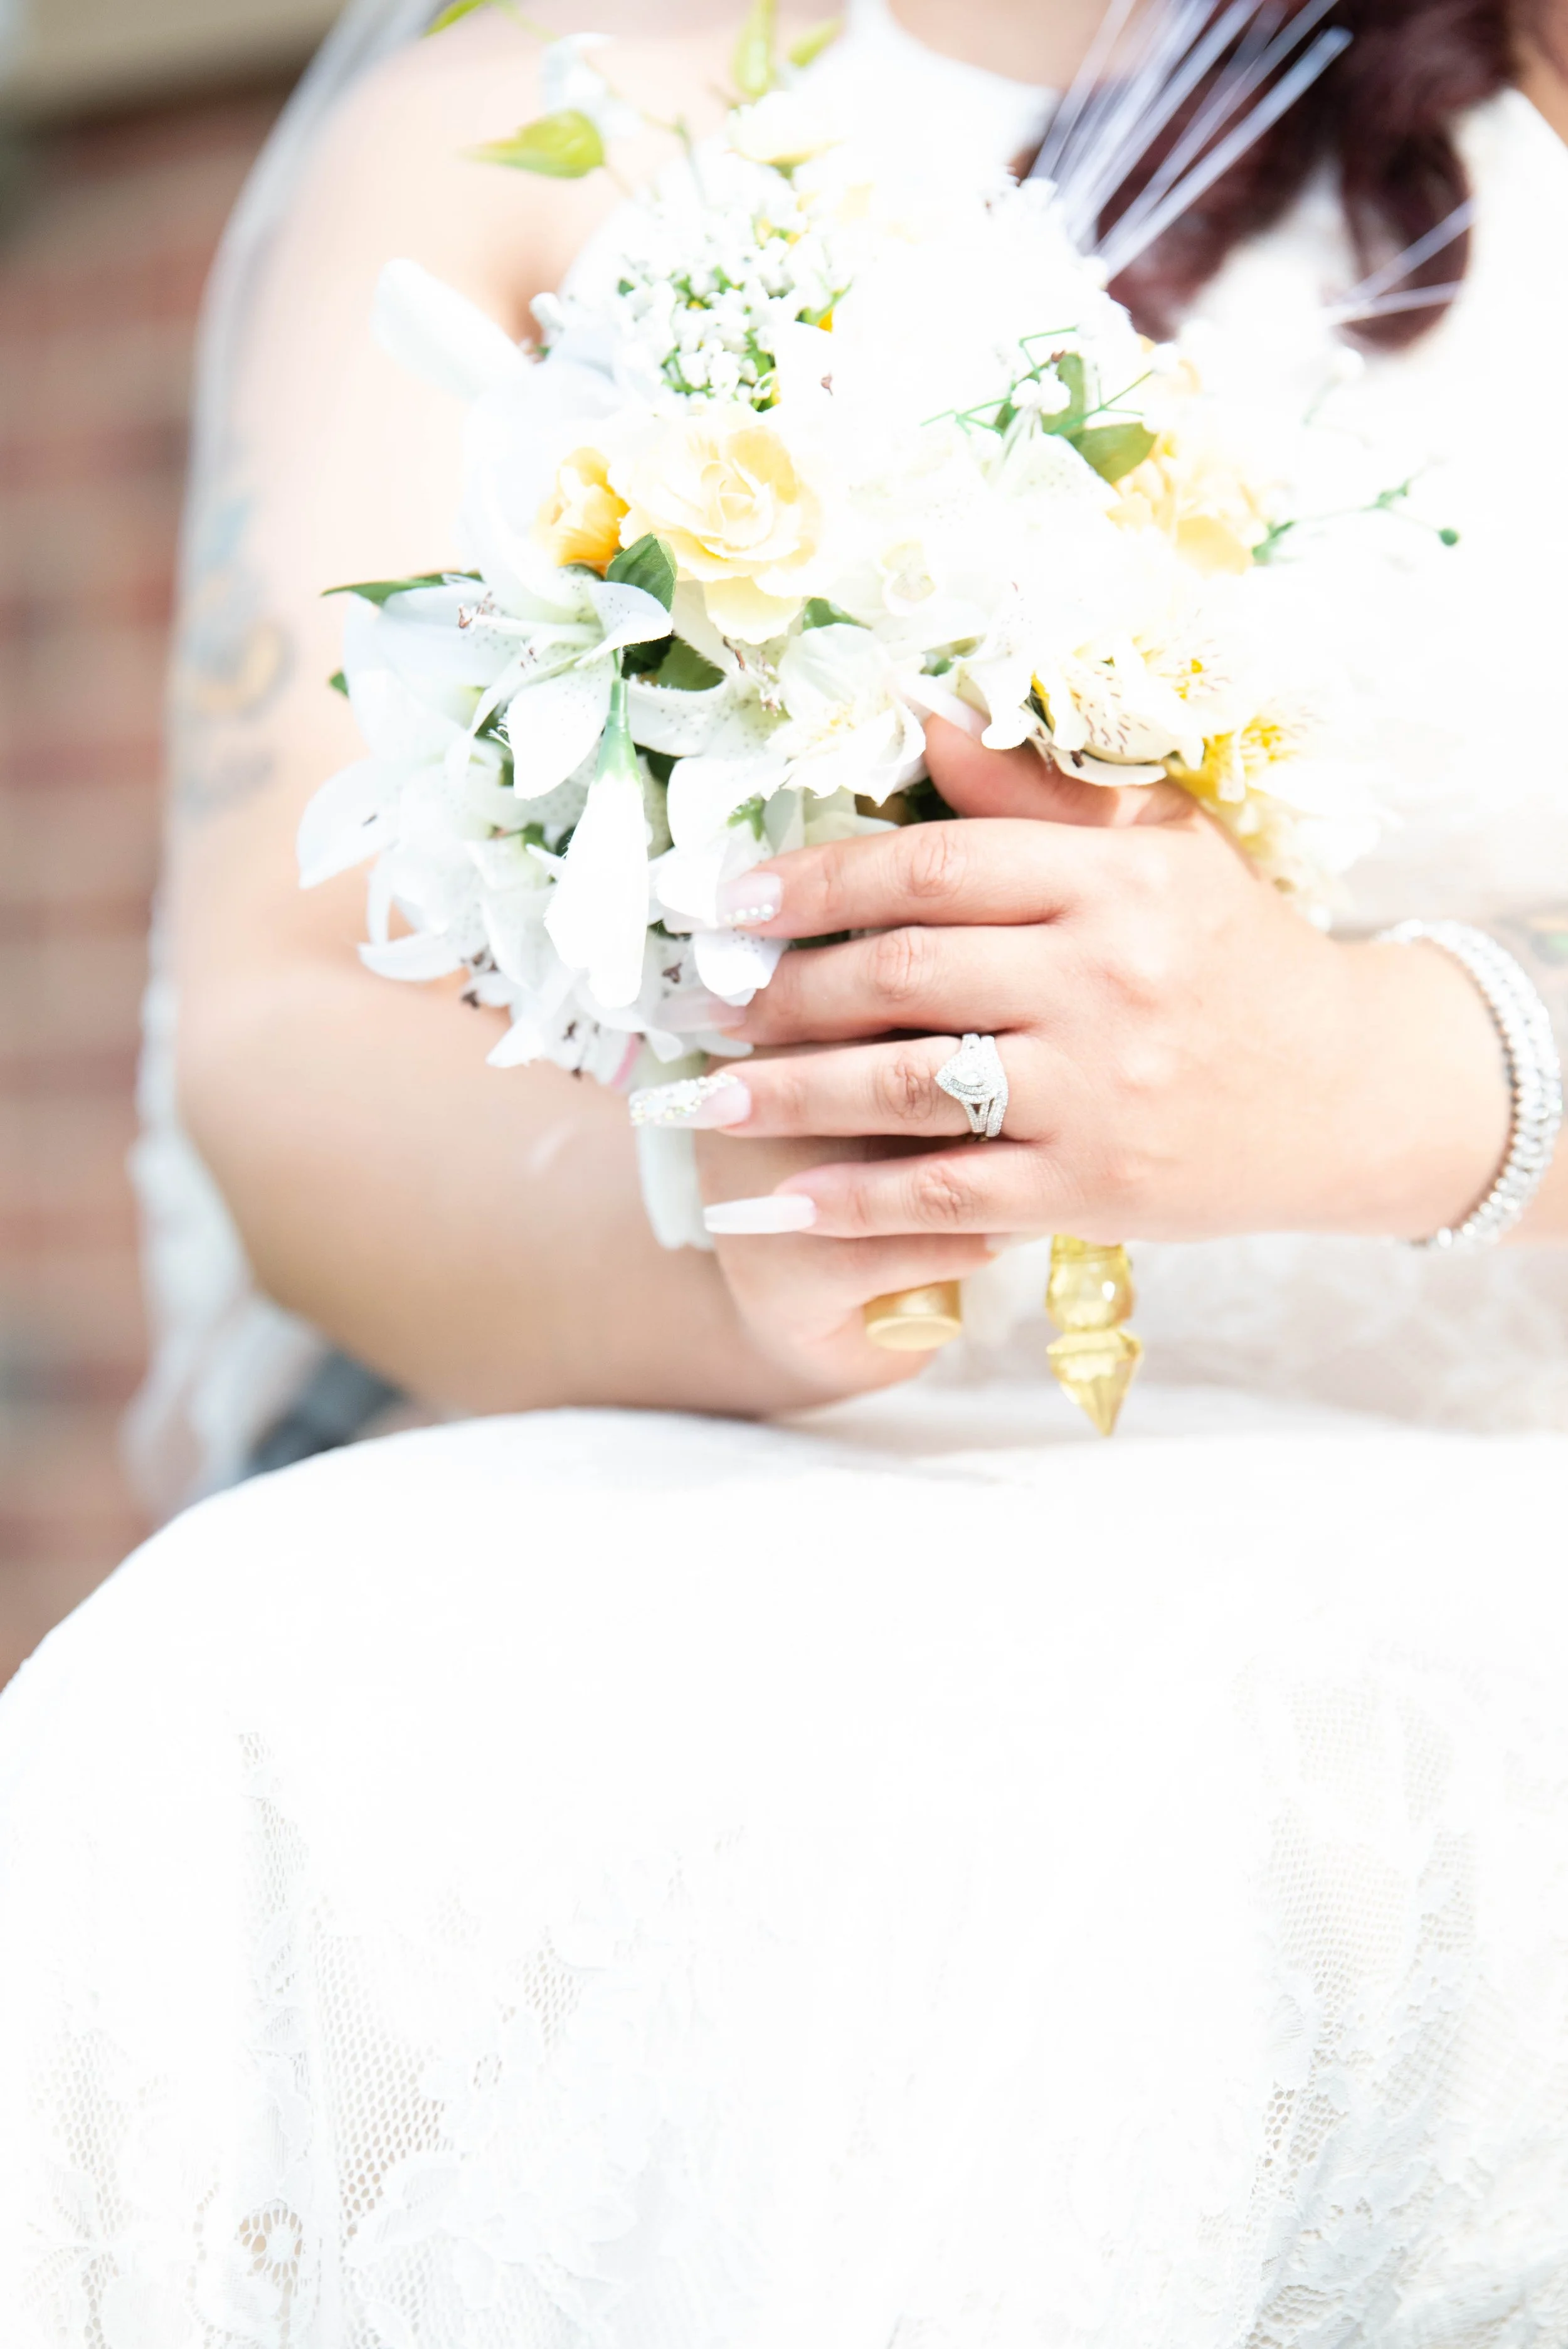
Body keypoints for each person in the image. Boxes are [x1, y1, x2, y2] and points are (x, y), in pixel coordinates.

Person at [6, 0, 1568, 2338]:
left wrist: (1381, 1067)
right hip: (781, 1491)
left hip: (1463, 1514)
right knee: (270, 1688)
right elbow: (281, 1021)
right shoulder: (505, 115)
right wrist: (743, 1219)